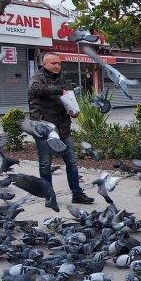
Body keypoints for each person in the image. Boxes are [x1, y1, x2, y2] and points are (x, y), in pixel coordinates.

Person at [28, 53, 94, 205]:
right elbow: (35, 89)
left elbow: (68, 99)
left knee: (72, 163)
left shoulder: (62, 79)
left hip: (63, 128)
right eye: (53, 63)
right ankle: (49, 197)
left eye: (59, 63)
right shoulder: (37, 78)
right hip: (45, 131)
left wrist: (73, 111)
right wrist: (59, 90)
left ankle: (77, 194)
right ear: (44, 64)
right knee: (45, 165)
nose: (57, 66)